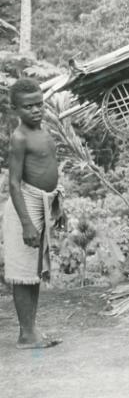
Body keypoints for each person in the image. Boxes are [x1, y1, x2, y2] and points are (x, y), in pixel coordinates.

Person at [3, 77, 64, 349]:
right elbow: (14, 183)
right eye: (28, 107)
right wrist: (27, 223)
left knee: (34, 272)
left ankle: (31, 331)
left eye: (39, 104)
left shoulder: (44, 131)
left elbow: (48, 170)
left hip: (41, 204)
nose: (36, 110)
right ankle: (26, 334)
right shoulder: (19, 138)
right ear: (15, 108)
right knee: (23, 272)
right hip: (23, 207)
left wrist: (56, 207)